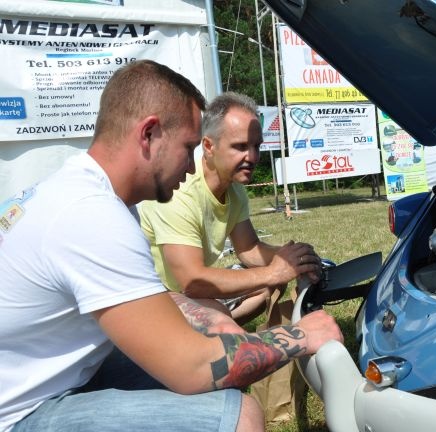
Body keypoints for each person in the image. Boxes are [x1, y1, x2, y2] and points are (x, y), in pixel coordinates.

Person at [0, 60, 343, 432]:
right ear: (149, 134)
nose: (193, 168)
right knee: (239, 415)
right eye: (189, 148)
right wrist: (301, 334)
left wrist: (209, 319)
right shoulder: (91, 216)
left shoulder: (88, 194)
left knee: (220, 352)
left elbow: (146, 294)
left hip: (49, 383)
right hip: (20, 414)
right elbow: (191, 369)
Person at [138, 92, 323, 326]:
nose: (253, 157)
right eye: (240, 146)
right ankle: (212, 331)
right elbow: (191, 280)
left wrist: (293, 259)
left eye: (257, 146)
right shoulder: (179, 193)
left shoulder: (234, 189)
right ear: (208, 146)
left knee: (269, 286)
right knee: (222, 313)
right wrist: (274, 271)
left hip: (186, 290)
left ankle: (215, 330)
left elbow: (248, 249)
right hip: (152, 298)